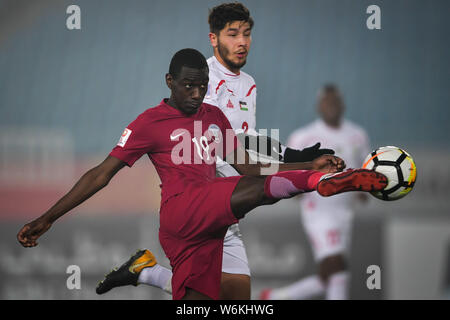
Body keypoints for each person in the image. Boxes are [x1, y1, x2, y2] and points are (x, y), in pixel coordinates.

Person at [17, 49, 387, 300]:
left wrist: (306, 162)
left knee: (232, 296)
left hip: (207, 227)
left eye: (202, 86)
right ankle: (323, 184)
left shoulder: (213, 117)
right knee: (253, 190)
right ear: (169, 81)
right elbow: (101, 174)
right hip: (181, 211)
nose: (196, 94)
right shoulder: (148, 123)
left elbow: (248, 165)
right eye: (187, 86)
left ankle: (144, 271)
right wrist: (48, 218)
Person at [95, 2, 334, 300]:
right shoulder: (200, 79)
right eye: (232, 34)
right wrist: (299, 163)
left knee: (233, 298)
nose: (242, 42)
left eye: (246, 34)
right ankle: (147, 272)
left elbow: (246, 138)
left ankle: (145, 271)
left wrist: (290, 154)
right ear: (213, 38)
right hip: (209, 199)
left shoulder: (248, 84)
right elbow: (207, 138)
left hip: (232, 198)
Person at [260, 84, 372, 300]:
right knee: (337, 265)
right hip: (318, 210)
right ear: (319, 106)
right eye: (327, 101)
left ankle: (275, 297)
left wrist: (365, 189)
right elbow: (285, 169)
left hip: (344, 213)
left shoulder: (358, 135)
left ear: (342, 104)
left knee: (330, 274)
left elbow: (365, 171)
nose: (331, 105)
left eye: (335, 101)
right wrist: (295, 187)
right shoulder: (304, 137)